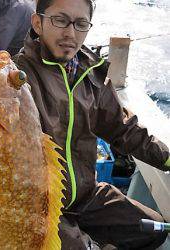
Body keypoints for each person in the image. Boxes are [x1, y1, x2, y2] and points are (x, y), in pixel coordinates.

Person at [13, 0, 170, 249]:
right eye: (60, 20)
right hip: (40, 207)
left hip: (87, 196)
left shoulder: (90, 72)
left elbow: (122, 128)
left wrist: (168, 158)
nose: (70, 33)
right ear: (37, 23)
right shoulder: (17, 78)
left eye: (81, 23)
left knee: (154, 228)